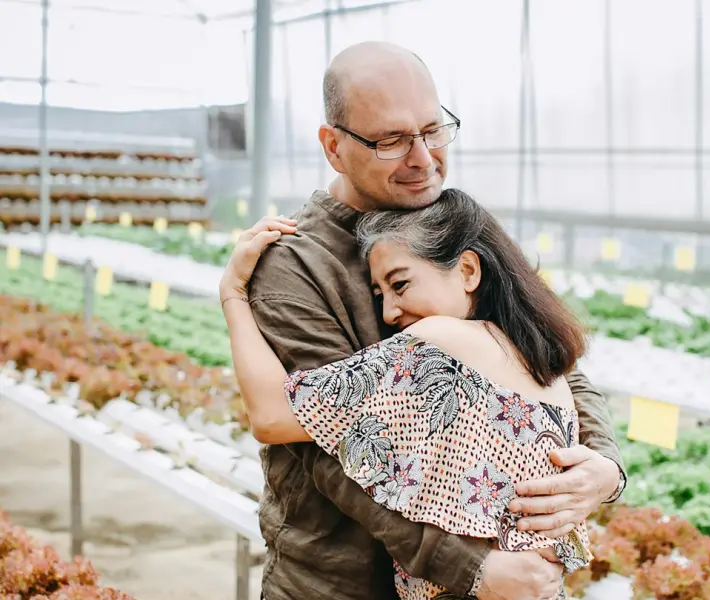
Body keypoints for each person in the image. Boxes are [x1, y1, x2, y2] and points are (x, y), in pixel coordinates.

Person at [227, 41, 626, 600]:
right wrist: (471, 568)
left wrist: (604, 465)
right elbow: (328, 449)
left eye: (433, 130)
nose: (423, 158)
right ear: (333, 146)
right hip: (339, 582)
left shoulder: (447, 218)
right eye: (391, 140)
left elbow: (541, 348)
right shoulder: (295, 261)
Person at [221, 188, 596, 600]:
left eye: (400, 284)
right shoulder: (547, 370)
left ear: (468, 271)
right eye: (380, 294)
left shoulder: (437, 343)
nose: (388, 313)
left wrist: (233, 294)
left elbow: (273, 417)